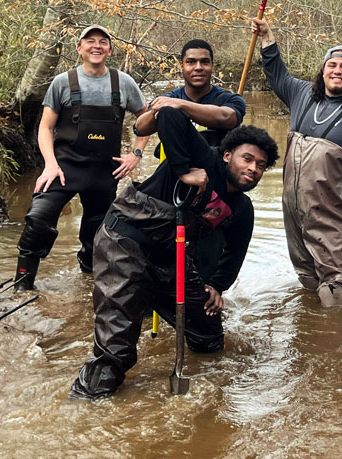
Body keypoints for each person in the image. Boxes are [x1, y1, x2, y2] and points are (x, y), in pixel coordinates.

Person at [69, 110, 279, 399]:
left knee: (208, 332)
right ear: (228, 155)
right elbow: (169, 116)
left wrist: (217, 286)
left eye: (261, 165)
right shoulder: (203, 158)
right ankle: (86, 404)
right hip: (123, 245)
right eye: (248, 158)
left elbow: (234, 253)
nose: (253, 168)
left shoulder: (241, 209)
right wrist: (183, 170)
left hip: (170, 259)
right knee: (115, 352)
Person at [249, 18, 342, 308]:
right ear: (322, 71)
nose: (338, 71)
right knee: (310, 285)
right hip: (295, 215)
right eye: (332, 66)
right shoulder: (302, 96)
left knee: (338, 291)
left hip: (337, 221)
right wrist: (267, 37)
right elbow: (276, 74)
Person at [13, 25, 148, 290]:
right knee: (38, 219)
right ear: (79, 48)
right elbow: (45, 127)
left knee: (96, 238)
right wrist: (50, 164)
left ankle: (86, 287)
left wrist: (136, 154)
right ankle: (22, 286)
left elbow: (146, 119)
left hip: (103, 174)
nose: (96, 46)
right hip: (63, 169)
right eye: (90, 41)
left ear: (109, 49)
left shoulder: (123, 83)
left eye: (102, 42)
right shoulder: (63, 82)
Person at [134, 38, 246, 150]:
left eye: (204, 62)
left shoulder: (230, 99)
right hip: (174, 166)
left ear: (212, 65)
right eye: (191, 62)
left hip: (215, 166)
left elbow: (228, 117)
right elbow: (140, 129)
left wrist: (182, 105)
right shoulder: (168, 99)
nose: (198, 67)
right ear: (181, 66)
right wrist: (156, 111)